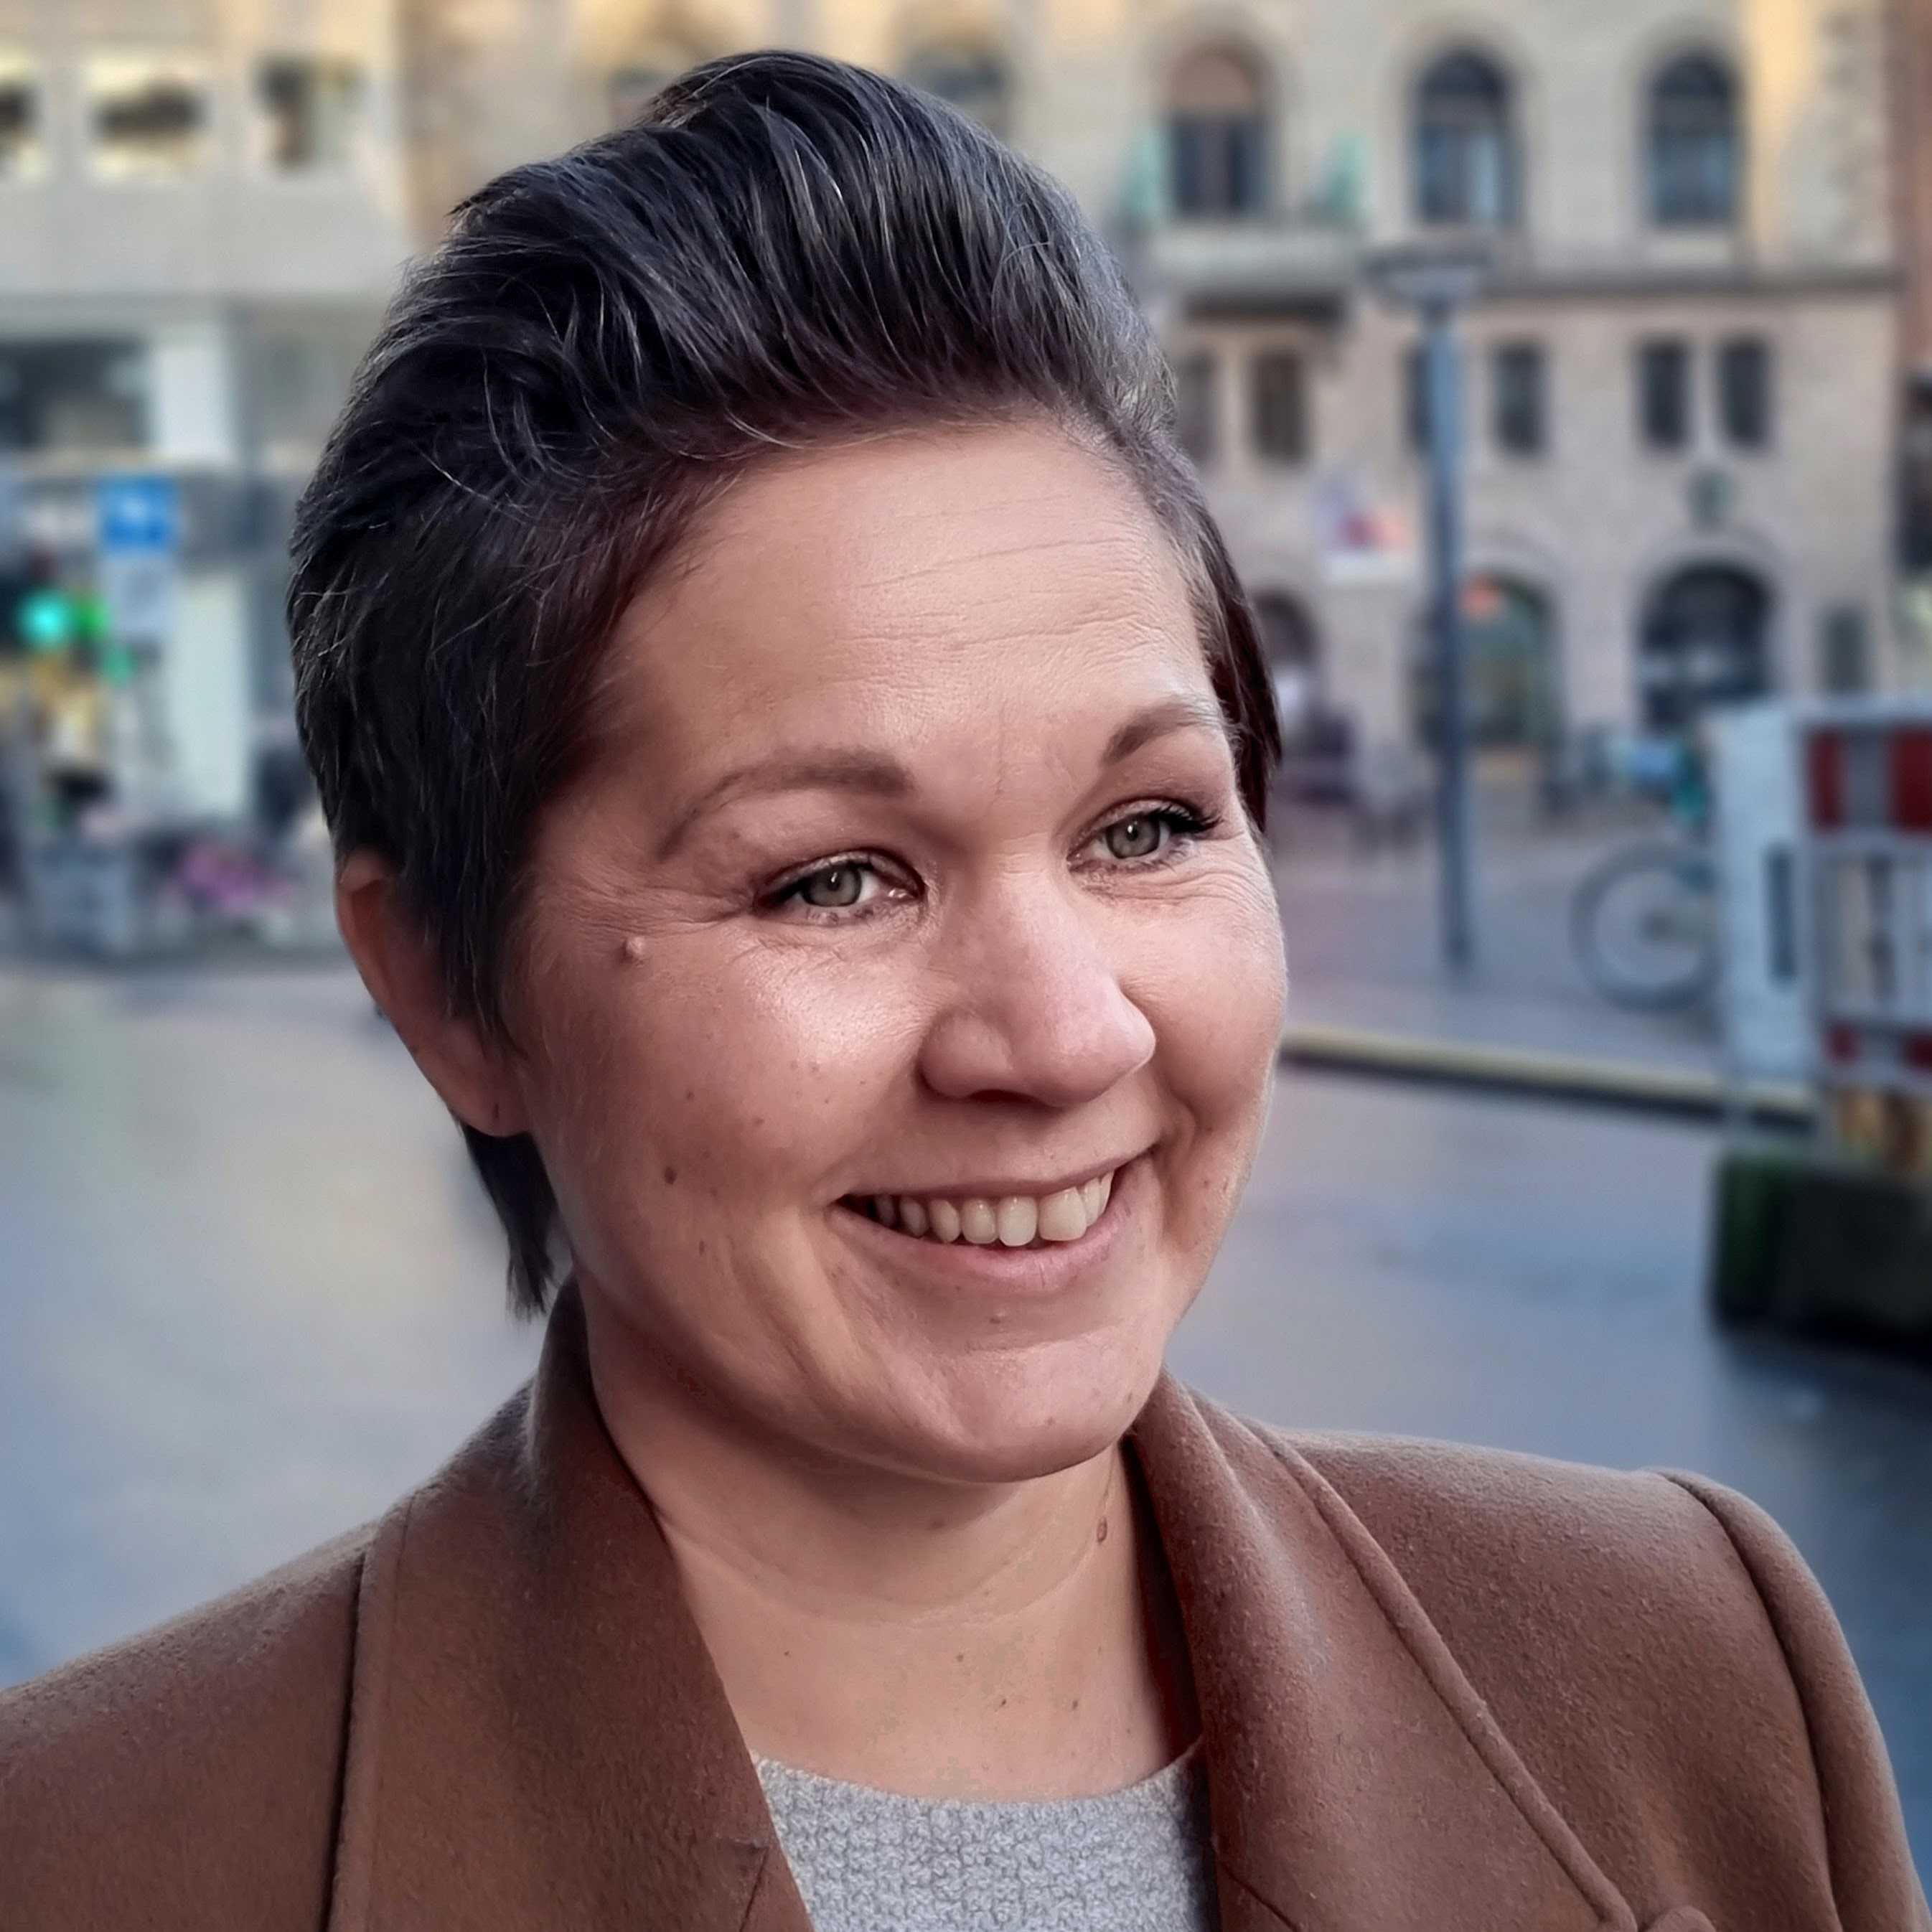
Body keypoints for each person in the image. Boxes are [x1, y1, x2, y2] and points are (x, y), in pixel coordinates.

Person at [0, 52, 1923, 1932]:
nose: (1068, 1035)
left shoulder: (1693, 1675)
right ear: (445, 987)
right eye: (832, 877)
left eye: (1147, 826)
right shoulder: (88, 1858)